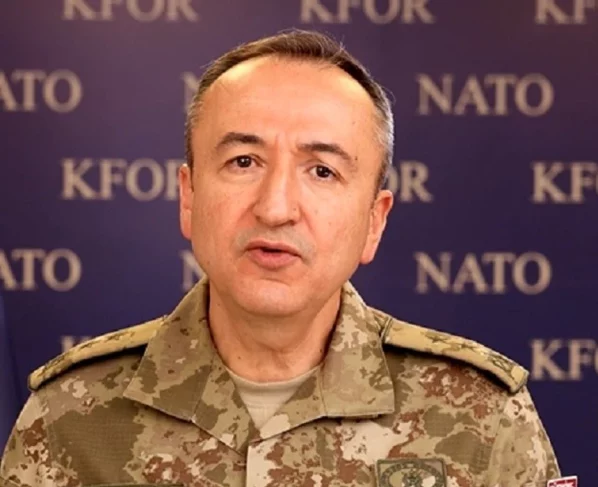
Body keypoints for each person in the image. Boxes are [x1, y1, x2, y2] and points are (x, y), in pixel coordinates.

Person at [1, 30, 560, 487]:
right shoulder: (70, 414)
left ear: (374, 221)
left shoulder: (480, 416)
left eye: (322, 171)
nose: (275, 208)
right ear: (189, 198)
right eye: (244, 161)